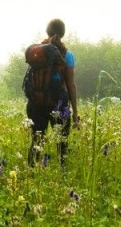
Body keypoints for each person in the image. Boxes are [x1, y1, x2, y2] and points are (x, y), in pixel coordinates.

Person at [27, 18, 79, 166]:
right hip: (59, 103)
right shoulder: (67, 55)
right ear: (63, 33)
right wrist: (75, 112)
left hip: (36, 102)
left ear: (47, 31)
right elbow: (70, 84)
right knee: (62, 142)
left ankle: (31, 172)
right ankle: (62, 173)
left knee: (37, 141)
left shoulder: (36, 52)